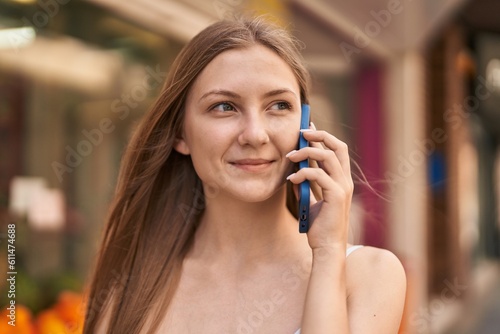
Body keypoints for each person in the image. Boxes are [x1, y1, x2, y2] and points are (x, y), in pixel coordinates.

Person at [83, 16, 406, 334]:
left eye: (279, 105)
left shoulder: (369, 274)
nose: (255, 134)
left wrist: (327, 254)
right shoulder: (132, 287)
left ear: (306, 126)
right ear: (180, 134)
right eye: (224, 107)